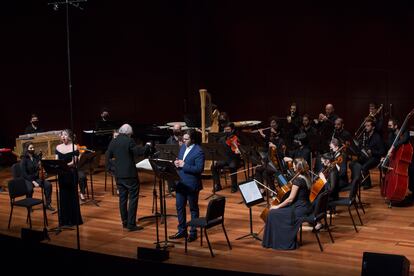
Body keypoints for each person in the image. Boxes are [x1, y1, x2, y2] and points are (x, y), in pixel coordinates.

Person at [106, 124, 150, 231]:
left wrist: (112, 169)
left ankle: (124, 222)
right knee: (133, 198)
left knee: (122, 199)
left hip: (119, 175)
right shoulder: (129, 141)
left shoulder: (114, 141)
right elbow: (138, 152)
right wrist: (147, 146)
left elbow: (108, 155)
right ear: (129, 133)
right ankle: (131, 224)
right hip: (130, 175)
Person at [262, 158, 312, 250]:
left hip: (299, 209)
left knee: (272, 213)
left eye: (293, 165)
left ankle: (280, 241)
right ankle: (277, 240)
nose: (292, 166)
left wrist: (277, 206)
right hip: (305, 206)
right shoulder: (307, 177)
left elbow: (290, 199)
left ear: (298, 167)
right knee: (276, 212)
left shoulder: (297, 181)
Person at [169, 129, 205, 242]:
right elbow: (180, 160)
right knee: (179, 207)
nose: (183, 141)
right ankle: (182, 230)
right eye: (183, 139)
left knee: (193, 209)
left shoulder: (199, 151)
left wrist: (184, 165)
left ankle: (193, 232)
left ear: (193, 139)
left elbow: (199, 169)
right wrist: (176, 163)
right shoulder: (183, 147)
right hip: (181, 183)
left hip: (191, 184)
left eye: (186, 139)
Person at [55, 129, 83, 226]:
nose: (63, 136)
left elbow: (74, 162)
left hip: (71, 174)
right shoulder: (58, 147)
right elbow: (56, 160)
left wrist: (64, 166)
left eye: (65, 135)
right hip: (62, 175)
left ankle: (74, 219)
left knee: (72, 196)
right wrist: (61, 166)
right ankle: (64, 220)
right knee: (63, 196)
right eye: (62, 135)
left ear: (70, 136)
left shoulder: (74, 147)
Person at [20, 142, 54, 211]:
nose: (33, 149)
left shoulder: (35, 157)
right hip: (27, 178)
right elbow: (24, 174)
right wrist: (33, 181)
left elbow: (38, 165)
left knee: (48, 185)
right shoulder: (24, 159)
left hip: (35, 177)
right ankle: (29, 205)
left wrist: (41, 162)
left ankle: (48, 204)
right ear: (26, 149)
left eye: (33, 148)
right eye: (31, 148)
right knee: (30, 189)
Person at [211, 122, 241, 193]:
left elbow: (239, 151)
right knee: (213, 166)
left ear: (232, 130)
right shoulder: (222, 139)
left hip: (234, 158)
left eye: (228, 129)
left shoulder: (236, 138)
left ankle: (234, 186)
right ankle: (217, 185)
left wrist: (237, 149)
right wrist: (216, 159)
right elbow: (218, 150)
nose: (226, 131)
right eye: (225, 130)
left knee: (232, 166)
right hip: (225, 159)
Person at [358, 119, 385, 189]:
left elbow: (382, 151)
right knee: (355, 163)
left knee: (364, 167)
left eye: (368, 126)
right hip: (368, 157)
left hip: (376, 158)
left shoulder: (377, 137)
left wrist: (372, 151)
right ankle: (359, 181)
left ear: (373, 127)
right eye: (365, 126)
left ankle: (367, 184)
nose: (366, 127)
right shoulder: (366, 135)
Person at [165, 123, 183, 196]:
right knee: (167, 168)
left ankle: (179, 188)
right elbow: (166, 151)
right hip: (172, 160)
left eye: (177, 129)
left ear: (180, 130)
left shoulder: (183, 139)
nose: (175, 130)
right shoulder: (169, 140)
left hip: (180, 160)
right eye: (174, 129)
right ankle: (171, 188)